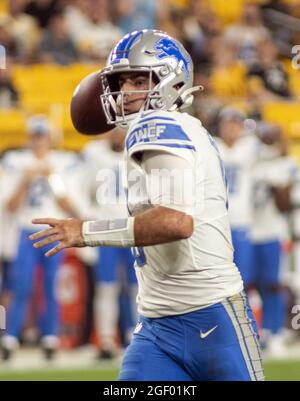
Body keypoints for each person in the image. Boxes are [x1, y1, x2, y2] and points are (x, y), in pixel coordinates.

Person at [30, 29, 264, 381]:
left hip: (213, 317)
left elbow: (176, 223)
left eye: (139, 79)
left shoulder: (158, 124)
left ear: (171, 81)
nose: (125, 92)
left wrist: (85, 231)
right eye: (121, 82)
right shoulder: (179, 127)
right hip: (157, 323)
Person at [1, 115, 79, 361]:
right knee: (21, 285)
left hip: (53, 230)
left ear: (49, 139)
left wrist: (51, 177)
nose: (39, 142)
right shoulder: (17, 163)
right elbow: (11, 206)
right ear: (29, 138)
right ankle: (10, 337)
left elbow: (69, 205)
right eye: (35, 136)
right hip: (26, 230)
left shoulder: (60, 163)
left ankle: (49, 337)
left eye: (42, 136)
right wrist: (25, 179)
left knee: (50, 285)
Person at [81, 130, 137, 359]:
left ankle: (136, 335)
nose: (117, 133)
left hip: (134, 228)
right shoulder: (94, 154)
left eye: (121, 128)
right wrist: (90, 218)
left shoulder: (137, 152)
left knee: (138, 287)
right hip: (105, 229)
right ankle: (105, 339)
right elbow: (80, 190)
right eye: (113, 128)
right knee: (106, 286)